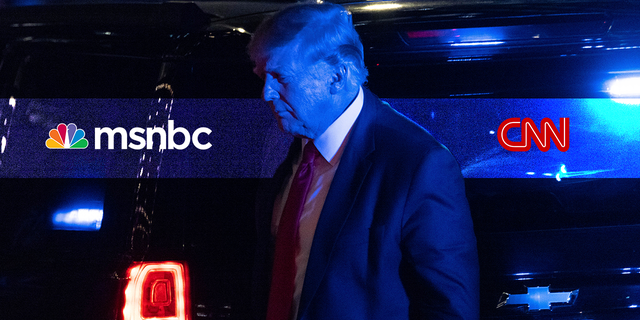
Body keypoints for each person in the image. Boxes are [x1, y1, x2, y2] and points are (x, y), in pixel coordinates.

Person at [248, 3, 479, 320]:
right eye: (263, 76)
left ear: (337, 76)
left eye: (280, 77)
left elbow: (449, 309)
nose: (267, 94)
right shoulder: (284, 146)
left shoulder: (418, 164)